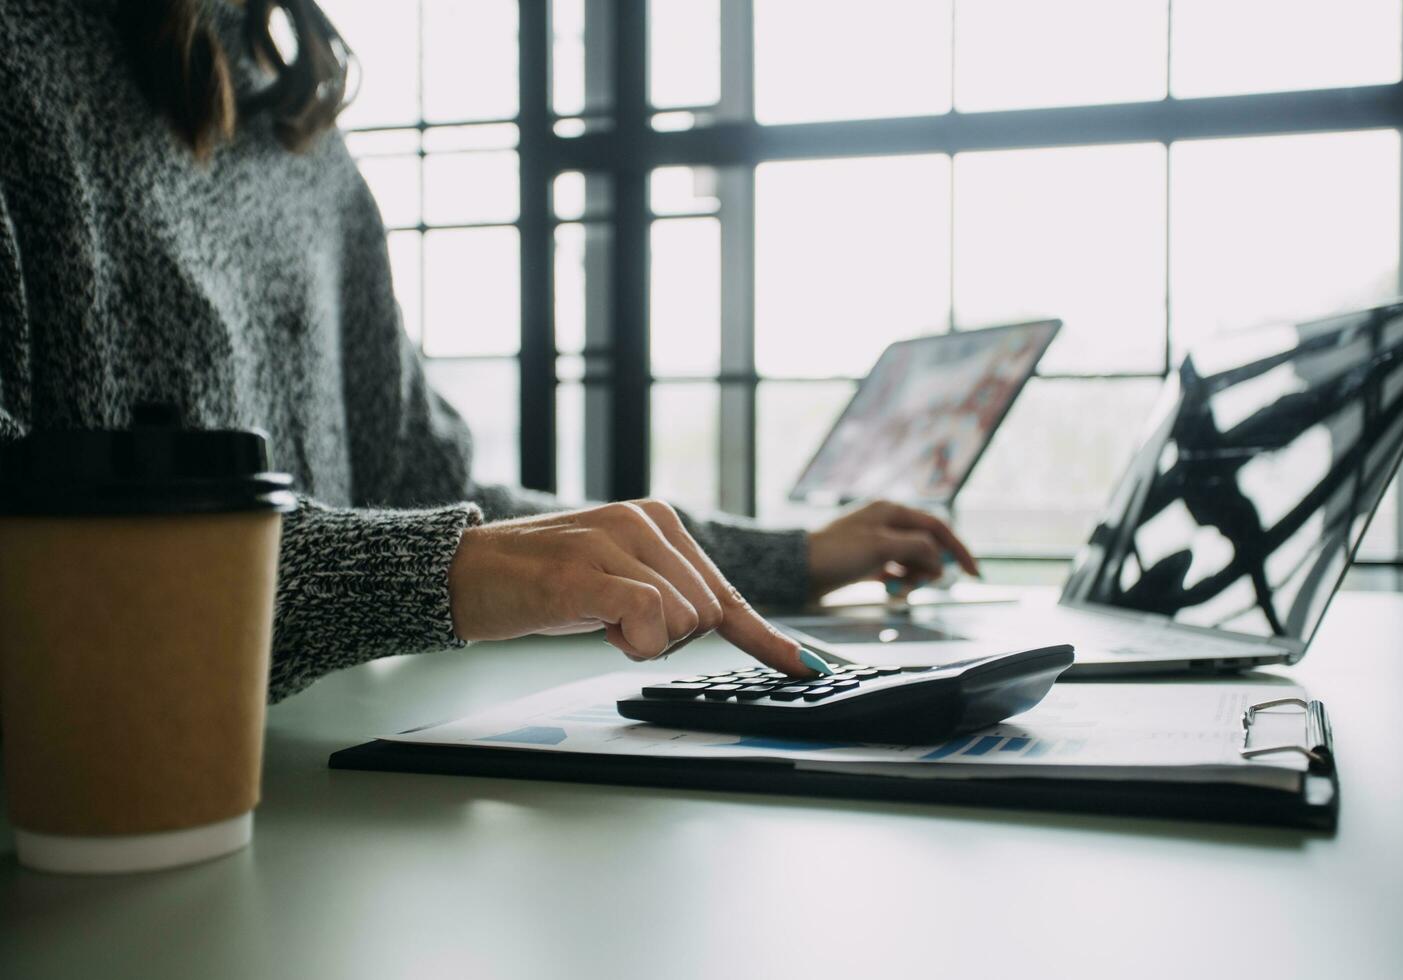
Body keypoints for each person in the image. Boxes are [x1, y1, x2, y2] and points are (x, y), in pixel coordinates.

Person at [0, 0, 978, 701]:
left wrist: (791, 555)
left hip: (316, 812)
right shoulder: (25, 68)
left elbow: (428, 493)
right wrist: (441, 572)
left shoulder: (306, 147)